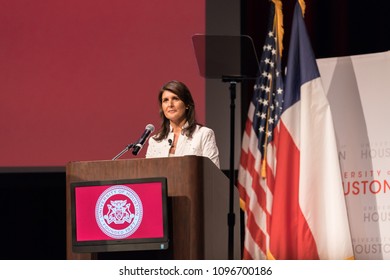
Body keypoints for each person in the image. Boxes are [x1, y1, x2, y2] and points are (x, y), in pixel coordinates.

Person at [146, 80, 220, 168]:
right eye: (165, 100)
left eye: (175, 99)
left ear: (187, 104)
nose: (170, 104)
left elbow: (213, 174)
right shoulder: (154, 141)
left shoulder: (204, 134)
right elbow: (149, 176)